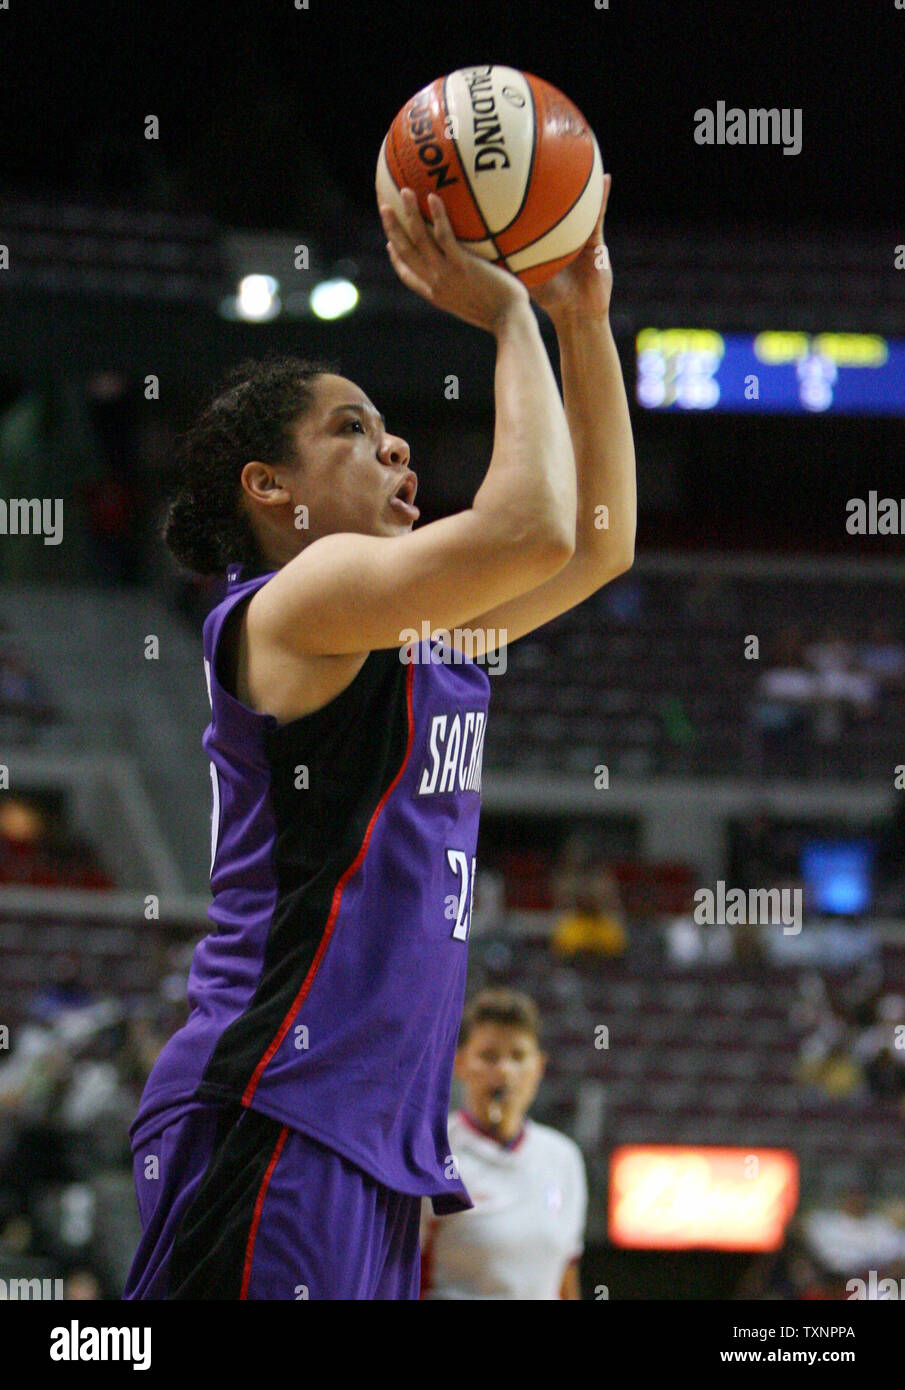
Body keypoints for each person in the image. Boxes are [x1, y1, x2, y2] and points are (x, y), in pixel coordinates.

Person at [123, 177, 635, 1300]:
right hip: (275, 1102)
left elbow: (593, 545)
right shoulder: (295, 602)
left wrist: (581, 319)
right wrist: (508, 317)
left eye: (389, 428)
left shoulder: (406, 631)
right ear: (270, 488)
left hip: (368, 1135)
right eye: (350, 430)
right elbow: (532, 523)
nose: (395, 448)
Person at [420, 989, 587, 1300]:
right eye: (489, 1056)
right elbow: (404, 1273)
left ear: (538, 1067)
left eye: (518, 1056)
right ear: (459, 1064)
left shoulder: (564, 1158)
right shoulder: (433, 1152)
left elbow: (565, 1276)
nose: (505, 1071)